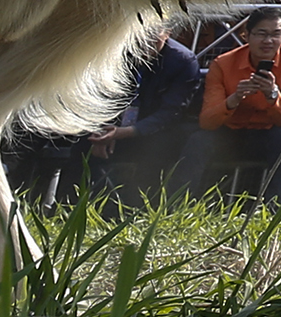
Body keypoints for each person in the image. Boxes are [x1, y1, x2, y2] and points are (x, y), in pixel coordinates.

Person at [189, 9, 281, 201]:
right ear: (246, 35)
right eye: (261, 33)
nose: (268, 41)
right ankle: (177, 205)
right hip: (229, 133)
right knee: (199, 139)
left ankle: (277, 208)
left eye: (276, 34)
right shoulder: (223, 64)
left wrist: (273, 94)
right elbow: (207, 122)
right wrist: (234, 99)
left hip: (268, 134)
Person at [86, 28, 208, 199]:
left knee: (159, 144)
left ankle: (138, 207)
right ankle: (72, 203)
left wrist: (125, 132)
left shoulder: (183, 61)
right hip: (116, 124)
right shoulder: (117, 52)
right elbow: (101, 96)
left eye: (153, 37)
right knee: (83, 140)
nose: (145, 44)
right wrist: (101, 129)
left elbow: (171, 112)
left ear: (167, 33)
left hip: (157, 128)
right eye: (140, 37)